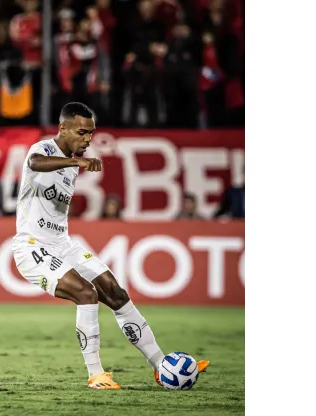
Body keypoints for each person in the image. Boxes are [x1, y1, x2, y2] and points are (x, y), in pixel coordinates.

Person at [11, 102, 209, 390]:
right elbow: (35, 165)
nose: (88, 139)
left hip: (63, 244)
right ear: (62, 128)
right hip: (32, 247)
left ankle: (160, 365)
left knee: (115, 293)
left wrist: (75, 163)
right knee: (86, 293)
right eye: (82, 132)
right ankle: (96, 374)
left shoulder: (72, 166)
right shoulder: (43, 151)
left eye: (91, 133)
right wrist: (75, 162)